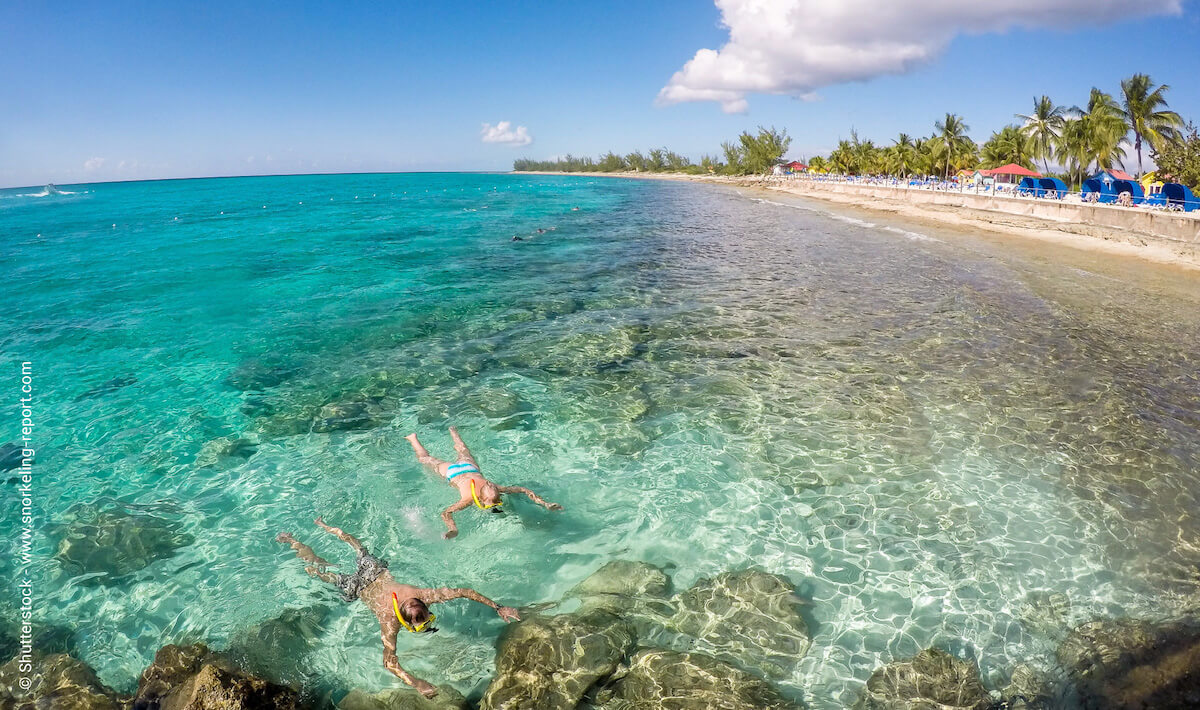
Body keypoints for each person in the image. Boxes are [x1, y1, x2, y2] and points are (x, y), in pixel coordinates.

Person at [276, 518, 520, 698]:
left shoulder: (389, 622)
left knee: (319, 569)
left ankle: (293, 542)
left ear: (408, 623)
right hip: (376, 572)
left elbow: (389, 662)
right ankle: (325, 526)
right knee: (356, 545)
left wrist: (416, 683)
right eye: (420, 609)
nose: (415, 607)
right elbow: (465, 592)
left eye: (415, 615)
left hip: (356, 587)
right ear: (426, 606)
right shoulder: (424, 596)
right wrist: (498, 607)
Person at [405, 426, 563, 539]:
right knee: (439, 456)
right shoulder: (468, 499)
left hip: (465, 470)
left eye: (496, 502)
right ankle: (420, 438)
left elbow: (522, 489)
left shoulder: (495, 489)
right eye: (490, 505)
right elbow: (445, 512)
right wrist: (452, 529)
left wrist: (545, 504)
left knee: (452, 453)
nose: (494, 506)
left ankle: (447, 432)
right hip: (452, 473)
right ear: (479, 499)